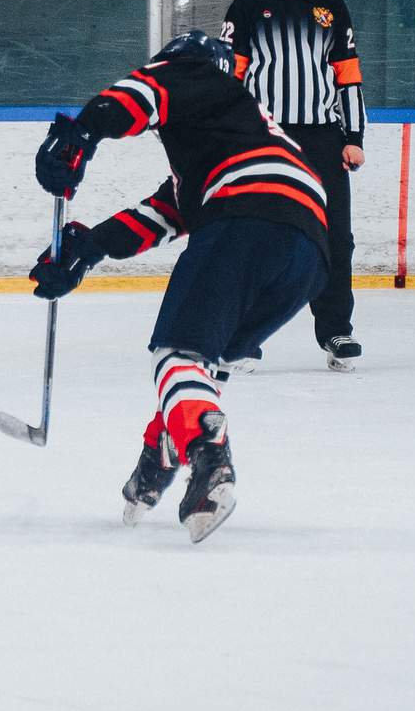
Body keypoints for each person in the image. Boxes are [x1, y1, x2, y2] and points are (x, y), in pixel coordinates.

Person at [29, 30, 329, 541]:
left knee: (176, 352)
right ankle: (162, 449)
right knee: (201, 361)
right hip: (308, 252)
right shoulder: (234, 135)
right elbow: (164, 213)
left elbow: (141, 94)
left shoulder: (194, 72)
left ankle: (208, 456)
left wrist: (81, 134)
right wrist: (88, 249)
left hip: (248, 216)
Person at [223, 0, 366, 370]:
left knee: (334, 238)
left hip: (323, 138)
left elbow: (348, 79)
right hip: (264, 138)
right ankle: (242, 339)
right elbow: (229, 79)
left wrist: (354, 136)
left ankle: (336, 333)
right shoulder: (245, 7)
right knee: (254, 237)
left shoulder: (331, 7)